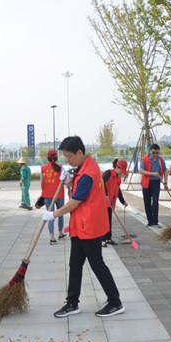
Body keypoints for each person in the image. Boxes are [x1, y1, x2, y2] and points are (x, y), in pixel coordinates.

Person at [43, 136, 125, 318]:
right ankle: (72, 302)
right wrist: (69, 181)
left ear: (80, 152)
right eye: (65, 157)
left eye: (69, 157)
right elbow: (77, 190)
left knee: (97, 264)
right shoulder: (84, 168)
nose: (67, 160)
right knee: (75, 264)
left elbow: (75, 202)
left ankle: (115, 302)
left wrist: (54, 214)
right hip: (80, 226)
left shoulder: (88, 173)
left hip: (89, 226)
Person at [138, 143, 168, 228]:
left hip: (156, 183)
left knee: (155, 201)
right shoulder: (144, 159)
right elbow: (140, 170)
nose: (155, 154)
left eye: (157, 153)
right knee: (147, 202)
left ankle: (155, 221)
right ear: (150, 151)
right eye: (154, 152)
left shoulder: (161, 160)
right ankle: (150, 221)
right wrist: (152, 174)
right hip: (146, 183)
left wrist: (165, 183)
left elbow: (165, 171)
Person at [40, 149, 67, 244]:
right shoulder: (61, 167)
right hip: (59, 194)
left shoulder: (43, 168)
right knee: (60, 214)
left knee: (50, 215)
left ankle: (52, 237)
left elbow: (41, 182)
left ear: (48, 158)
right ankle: (60, 233)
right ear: (56, 157)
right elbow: (66, 180)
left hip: (47, 195)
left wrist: (43, 193)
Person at [102, 159, 128, 247]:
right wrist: (105, 193)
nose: (121, 173)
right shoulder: (108, 173)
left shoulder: (118, 177)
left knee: (109, 221)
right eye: (121, 170)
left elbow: (118, 190)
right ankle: (102, 240)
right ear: (117, 167)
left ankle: (108, 238)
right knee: (103, 221)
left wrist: (123, 201)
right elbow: (102, 181)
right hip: (103, 202)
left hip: (110, 203)